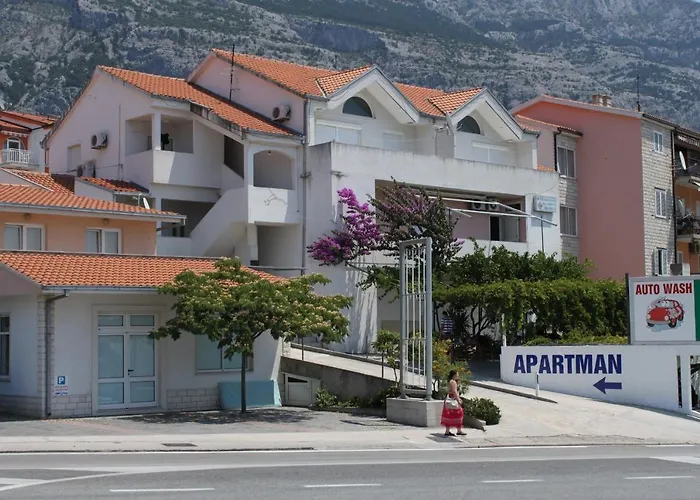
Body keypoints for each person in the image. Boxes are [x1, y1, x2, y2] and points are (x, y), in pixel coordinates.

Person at [441, 369, 465, 436]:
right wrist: (458, 399)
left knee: (448, 416)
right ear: (454, 375)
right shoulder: (453, 382)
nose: (458, 375)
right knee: (459, 414)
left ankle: (447, 431)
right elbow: (454, 392)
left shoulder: (450, 381)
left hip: (449, 400)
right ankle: (459, 430)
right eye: (457, 374)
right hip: (453, 400)